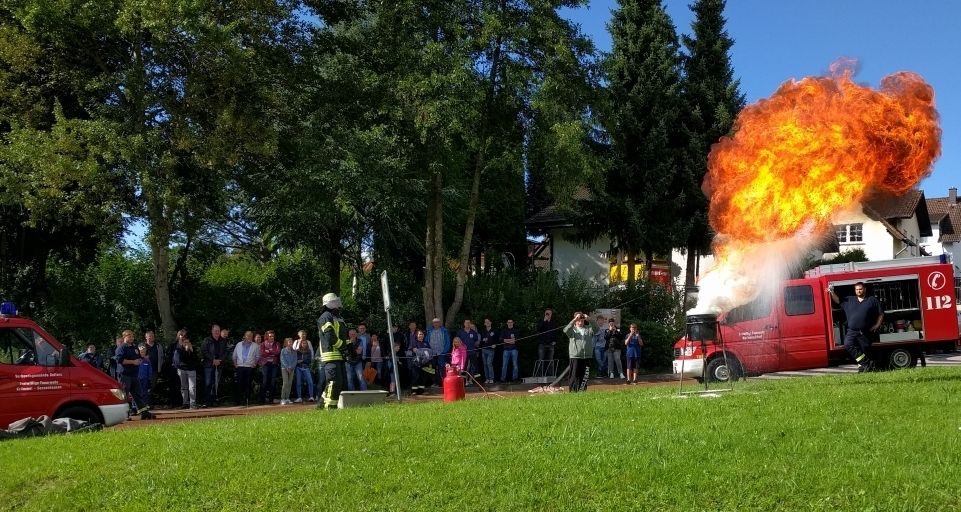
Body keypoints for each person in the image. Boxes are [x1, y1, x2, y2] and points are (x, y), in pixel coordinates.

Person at [829, 282, 884, 372]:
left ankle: (864, 369)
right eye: (857, 289)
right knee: (848, 344)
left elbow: (881, 314)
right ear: (855, 290)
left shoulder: (872, 300)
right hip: (852, 331)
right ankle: (866, 362)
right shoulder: (849, 300)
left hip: (865, 332)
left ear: (865, 289)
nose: (859, 291)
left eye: (860, 289)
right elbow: (838, 300)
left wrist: (877, 325)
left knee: (864, 351)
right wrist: (831, 292)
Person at [318, 292, 350, 409]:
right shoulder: (325, 317)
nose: (338, 304)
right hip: (330, 355)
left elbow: (340, 335)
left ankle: (321, 406)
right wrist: (342, 346)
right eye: (335, 302)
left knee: (338, 383)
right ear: (330, 304)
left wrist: (349, 346)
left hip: (339, 355)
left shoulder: (338, 317)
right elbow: (329, 336)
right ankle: (330, 408)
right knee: (333, 382)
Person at [116, 330, 147, 414]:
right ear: (124, 337)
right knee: (124, 394)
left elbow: (139, 357)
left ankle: (143, 412)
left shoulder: (134, 347)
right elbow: (120, 360)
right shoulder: (121, 347)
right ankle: (125, 414)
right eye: (129, 336)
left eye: (132, 336)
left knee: (138, 393)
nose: (132, 338)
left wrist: (140, 358)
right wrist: (133, 362)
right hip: (125, 374)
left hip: (134, 374)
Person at [563, 312, 594, 392]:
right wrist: (574, 320)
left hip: (587, 356)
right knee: (574, 375)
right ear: (576, 320)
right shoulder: (572, 330)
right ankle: (573, 392)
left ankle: (582, 391)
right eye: (578, 320)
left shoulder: (589, 329)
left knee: (584, 376)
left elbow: (597, 329)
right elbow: (565, 330)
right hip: (575, 356)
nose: (580, 322)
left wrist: (590, 319)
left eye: (582, 321)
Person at [172, 330, 200, 409]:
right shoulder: (176, 346)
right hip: (181, 369)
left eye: (184, 336)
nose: (182, 338)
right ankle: (185, 403)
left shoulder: (191, 345)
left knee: (192, 387)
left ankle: (193, 403)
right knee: (183, 387)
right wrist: (184, 349)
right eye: (181, 336)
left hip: (191, 368)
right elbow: (179, 359)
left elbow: (196, 358)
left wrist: (191, 349)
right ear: (178, 336)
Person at [233, 330, 260, 406]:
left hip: (249, 367)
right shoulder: (238, 344)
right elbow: (234, 355)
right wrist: (235, 364)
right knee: (239, 384)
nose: (249, 337)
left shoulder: (255, 346)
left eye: (251, 336)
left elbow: (257, 356)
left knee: (248, 384)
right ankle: (238, 400)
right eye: (248, 335)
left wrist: (255, 364)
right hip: (240, 366)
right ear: (244, 336)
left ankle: (246, 400)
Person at [201, 324, 226, 407]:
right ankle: (206, 401)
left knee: (216, 383)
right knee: (208, 383)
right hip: (209, 365)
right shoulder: (207, 340)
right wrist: (213, 359)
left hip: (219, 365)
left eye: (218, 331)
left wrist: (219, 360)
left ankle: (214, 400)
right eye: (215, 330)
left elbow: (225, 352)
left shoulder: (223, 341)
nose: (217, 332)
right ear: (212, 331)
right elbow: (204, 351)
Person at [425, 318, 450, 385]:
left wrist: (444, 351)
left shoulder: (444, 331)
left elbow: (448, 342)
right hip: (432, 354)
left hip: (441, 353)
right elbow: (426, 341)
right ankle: (435, 382)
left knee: (442, 367)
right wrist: (428, 351)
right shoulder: (429, 331)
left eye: (437, 322)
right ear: (433, 323)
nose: (436, 323)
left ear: (439, 323)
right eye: (434, 322)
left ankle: (443, 382)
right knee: (432, 368)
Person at [258, 330, 281, 404]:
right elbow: (262, 353)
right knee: (264, 381)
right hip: (265, 364)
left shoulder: (277, 343)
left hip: (274, 364)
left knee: (272, 382)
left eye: (273, 336)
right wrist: (272, 352)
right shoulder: (263, 344)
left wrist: (269, 351)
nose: (272, 337)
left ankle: (271, 399)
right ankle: (262, 399)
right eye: (270, 336)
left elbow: (277, 352)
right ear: (267, 336)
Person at [294, 333, 315, 403]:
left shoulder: (309, 351)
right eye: (303, 343)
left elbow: (309, 360)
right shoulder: (297, 351)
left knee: (310, 382)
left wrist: (302, 360)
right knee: (298, 383)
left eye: (305, 343)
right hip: (298, 368)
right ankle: (299, 397)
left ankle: (311, 396)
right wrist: (299, 361)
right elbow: (295, 360)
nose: (304, 344)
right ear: (300, 344)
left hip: (306, 368)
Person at [478, 318, 498, 384]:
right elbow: (480, 340)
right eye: (486, 322)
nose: (487, 323)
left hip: (491, 350)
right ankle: (487, 378)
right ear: (484, 324)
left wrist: (495, 344)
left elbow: (497, 339)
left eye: (488, 322)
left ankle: (491, 378)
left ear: (491, 322)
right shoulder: (483, 331)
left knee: (489, 363)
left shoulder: (494, 330)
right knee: (485, 364)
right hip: (484, 349)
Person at [501, 319, 520, 383]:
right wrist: (509, 340)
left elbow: (515, 341)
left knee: (515, 364)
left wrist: (506, 340)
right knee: (504, 365)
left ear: (513, 323)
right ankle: (503, 379)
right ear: (507, 323)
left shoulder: (516, 330)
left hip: (514, 349)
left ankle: (515, 378)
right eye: (508, 322)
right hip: (506, 350)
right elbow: (501, 339)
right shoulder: (504, 330)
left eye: (511, 322)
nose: (510, 323)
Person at [279, 337, 297, 405]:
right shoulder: (283, 350)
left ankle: (287, 398)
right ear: (286, 343)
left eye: (291, 342)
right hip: (284, 369)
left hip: (292, 369)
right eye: (289, 342)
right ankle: (282, 398)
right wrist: (287, 367)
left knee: (290, 383)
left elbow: (295, 360)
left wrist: (291, 367)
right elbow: (282, 360)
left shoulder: (294, 351)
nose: (290, 343)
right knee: (285, 383)